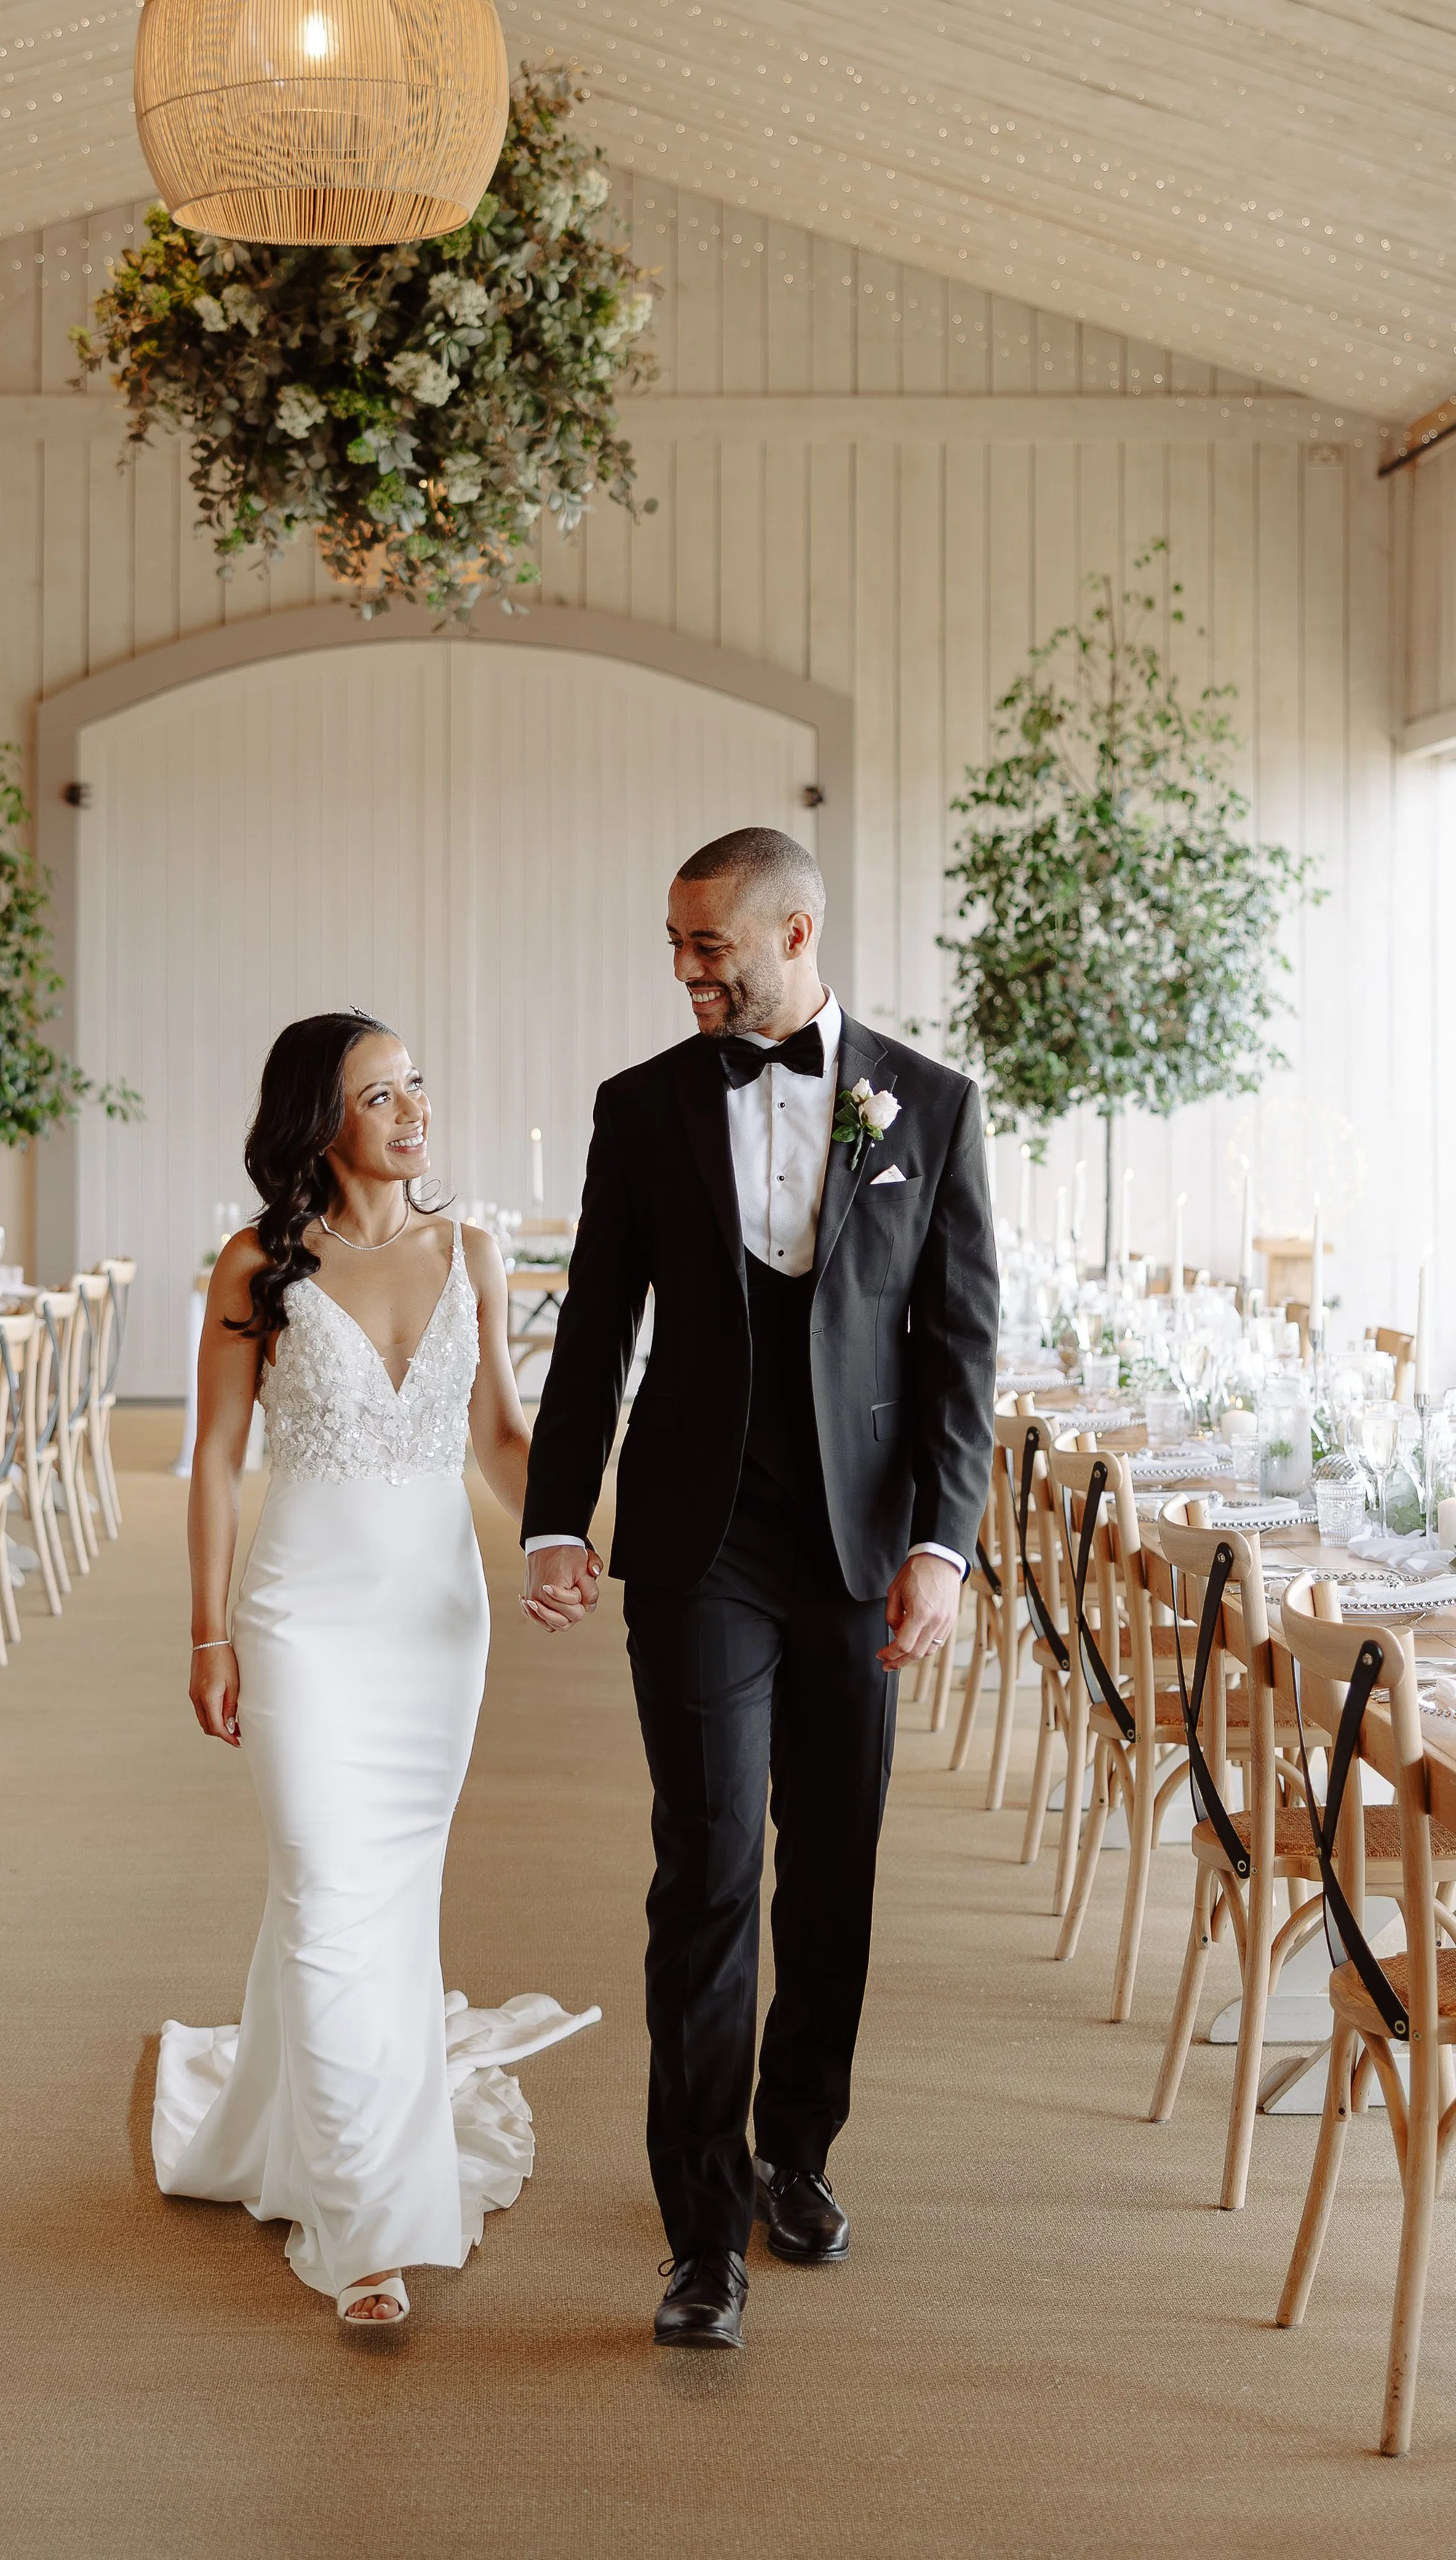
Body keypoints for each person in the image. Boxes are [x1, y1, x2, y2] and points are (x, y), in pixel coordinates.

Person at [521, 828, 998, 2350]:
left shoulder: (927, 1106)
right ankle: (700, 2227)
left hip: (859, 1551)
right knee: (709, 1868)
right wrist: (553, 1515)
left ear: (793, 933)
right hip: (695, 1543)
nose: (682, 973)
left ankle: (797, 2153)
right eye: (671, 945)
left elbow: (956, 1347)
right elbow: (594, 1325)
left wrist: (939, 1545)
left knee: (835, 1866)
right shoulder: (641, 1106)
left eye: (705, 947)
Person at [156, 1011, 597, 2329]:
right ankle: (365, 2228)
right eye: (378, 1093)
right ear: (320, 1121)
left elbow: (502, 1432)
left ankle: (324, 2135)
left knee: (378, 1893)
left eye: (416, 1085)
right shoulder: (258, 1264)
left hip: (432, 1626)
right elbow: (218, 1464)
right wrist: (208, 1629)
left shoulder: (472, 1248)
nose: (413, 1110)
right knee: (326, 1881)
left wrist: (565, 1540)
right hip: (301, 1612)